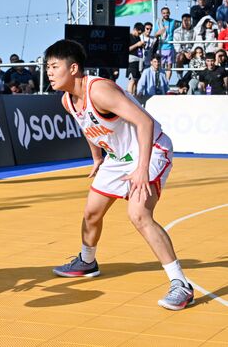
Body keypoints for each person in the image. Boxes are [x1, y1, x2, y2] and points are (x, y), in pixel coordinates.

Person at [45, 39, 194, 311]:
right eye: (48, 67)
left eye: (55, 66)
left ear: (74, 68)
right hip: (118, 157)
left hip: (151, 149)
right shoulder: (68, 100)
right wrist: (97, 156)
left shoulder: (100, 90)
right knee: (91, 212)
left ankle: (180, 284)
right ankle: (87, 261)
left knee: (138, 215)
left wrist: (141, 168)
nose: (49, 72)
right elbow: (88, 125)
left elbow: (145, 121)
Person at [155, 7, 176, 82]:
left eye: (167, 12)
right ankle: (160, 81)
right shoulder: (158, 22)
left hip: (170, 47)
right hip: (161, 47)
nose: (166, 14)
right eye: (164, 13)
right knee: (160, 66)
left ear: (169, 13)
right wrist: (160, 32)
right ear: (161, 14)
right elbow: (155, 34)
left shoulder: (173, 21)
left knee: (169, 66)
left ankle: (167, 82)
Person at [127, 23, 145, 95]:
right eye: (138, 33)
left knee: (137, 80)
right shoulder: (128, 36)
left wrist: (141, 46)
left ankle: (134, 95)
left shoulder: (138, 38)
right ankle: (129, 96)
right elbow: (127, 49)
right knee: (132, 80)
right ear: (135, 29)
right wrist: (137, 45)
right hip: (131, 60)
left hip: (139, 60)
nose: (139, 35)